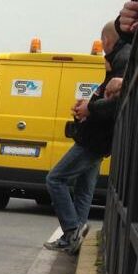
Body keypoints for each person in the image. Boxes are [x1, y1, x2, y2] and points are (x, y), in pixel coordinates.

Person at [43, 21, 129, 254]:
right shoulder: (120, 60)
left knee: (55, 179)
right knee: (83, 189)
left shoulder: (121, 59)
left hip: (95, 139)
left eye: (103, 46)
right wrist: (87, 105)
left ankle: (71, 230)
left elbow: (117, 103)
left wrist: (90, 109)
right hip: (99, 138)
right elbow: (107, 95)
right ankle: (74, 238)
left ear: (107, 41)